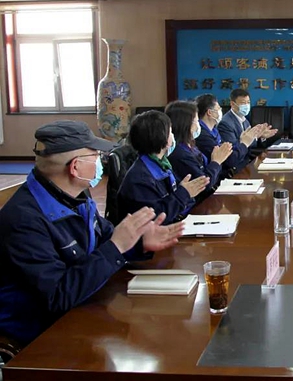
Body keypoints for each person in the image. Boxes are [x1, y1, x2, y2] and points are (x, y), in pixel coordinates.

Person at [0, 120, 184, 346]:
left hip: (83, 304)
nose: (101, 162)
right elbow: (57, 296)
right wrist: (117, 246)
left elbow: (105, 238)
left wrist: (139, 242)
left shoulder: (75, 196)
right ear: (75, 167)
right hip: (41, 332)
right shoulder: (24, 220)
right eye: (96, 156)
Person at [117, 110, 209, 225]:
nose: (173, 136)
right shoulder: (140, 179)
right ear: (162, 137)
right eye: (170, 132)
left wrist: (185, 192)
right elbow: (157, 218)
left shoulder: (162, 164)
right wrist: (184, 194)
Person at [165, 101, 232, 203]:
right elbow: (203, 184)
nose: (198, 125)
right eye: (196, 121)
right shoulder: (179, 153)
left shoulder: (190, 145)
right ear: (186, 124)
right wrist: (216, 162)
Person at [194, 93, 257, 178]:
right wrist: (244, 143)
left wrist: (242, 141)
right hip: (217, 177)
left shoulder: (213, 130)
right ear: (209, 112)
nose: (221, 111)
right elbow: (229, 161)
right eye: (218, 108)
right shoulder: (202, 135)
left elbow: (228, 151)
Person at [218, 89, 277, 170]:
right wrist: (254, 137)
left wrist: (260, 136)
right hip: (236, 167)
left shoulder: (244, 120)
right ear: (232, 104)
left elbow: (249, 143)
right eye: (243, 103)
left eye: (248, 102)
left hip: (247, 162)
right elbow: (233, 153)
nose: (246, 105)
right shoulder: (226, 123)